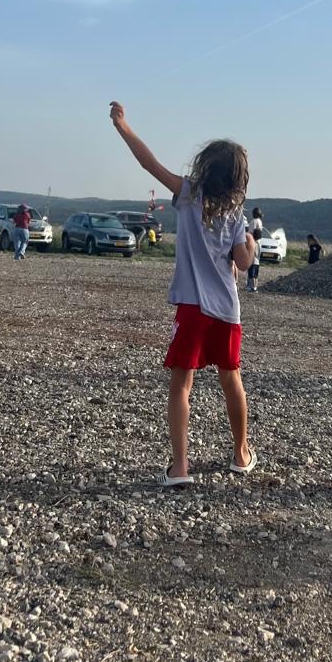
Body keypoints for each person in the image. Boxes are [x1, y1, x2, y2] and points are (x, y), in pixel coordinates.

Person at [109, 101, 257, 486]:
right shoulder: (237, 216)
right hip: (226, 309)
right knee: (231, 380)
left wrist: (123, 126)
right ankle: (241, 454)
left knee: (181, 385)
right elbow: (242, 262)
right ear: (238, 179)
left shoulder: (189, 194)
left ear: (206, 167)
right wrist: (252, 246)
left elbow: (149, 165)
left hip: (192, 307)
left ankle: (180, 467)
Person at [247, 207, 264, 292]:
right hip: (259, 243)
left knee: (252, 264)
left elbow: (250, 234)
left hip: (253, 243)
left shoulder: (253, 222)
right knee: (257, 263)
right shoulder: (260, 222)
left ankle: (252, 286)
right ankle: (255, 286)